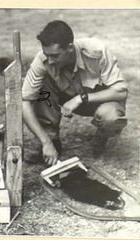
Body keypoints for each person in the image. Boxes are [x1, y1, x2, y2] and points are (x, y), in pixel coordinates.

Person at [22, 20, 128, 166]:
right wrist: (45, 141)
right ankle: (51, 138)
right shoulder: (43, 60)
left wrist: (81, 98)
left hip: (96, 101)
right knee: (41, 89)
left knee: (110, 117)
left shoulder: (96, 50)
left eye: (55, 55)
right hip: (64, 99)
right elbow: (25, 101)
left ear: (70, 48)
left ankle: (102, 136)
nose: (50, 60)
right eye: (47, 55)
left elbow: (121, 91)